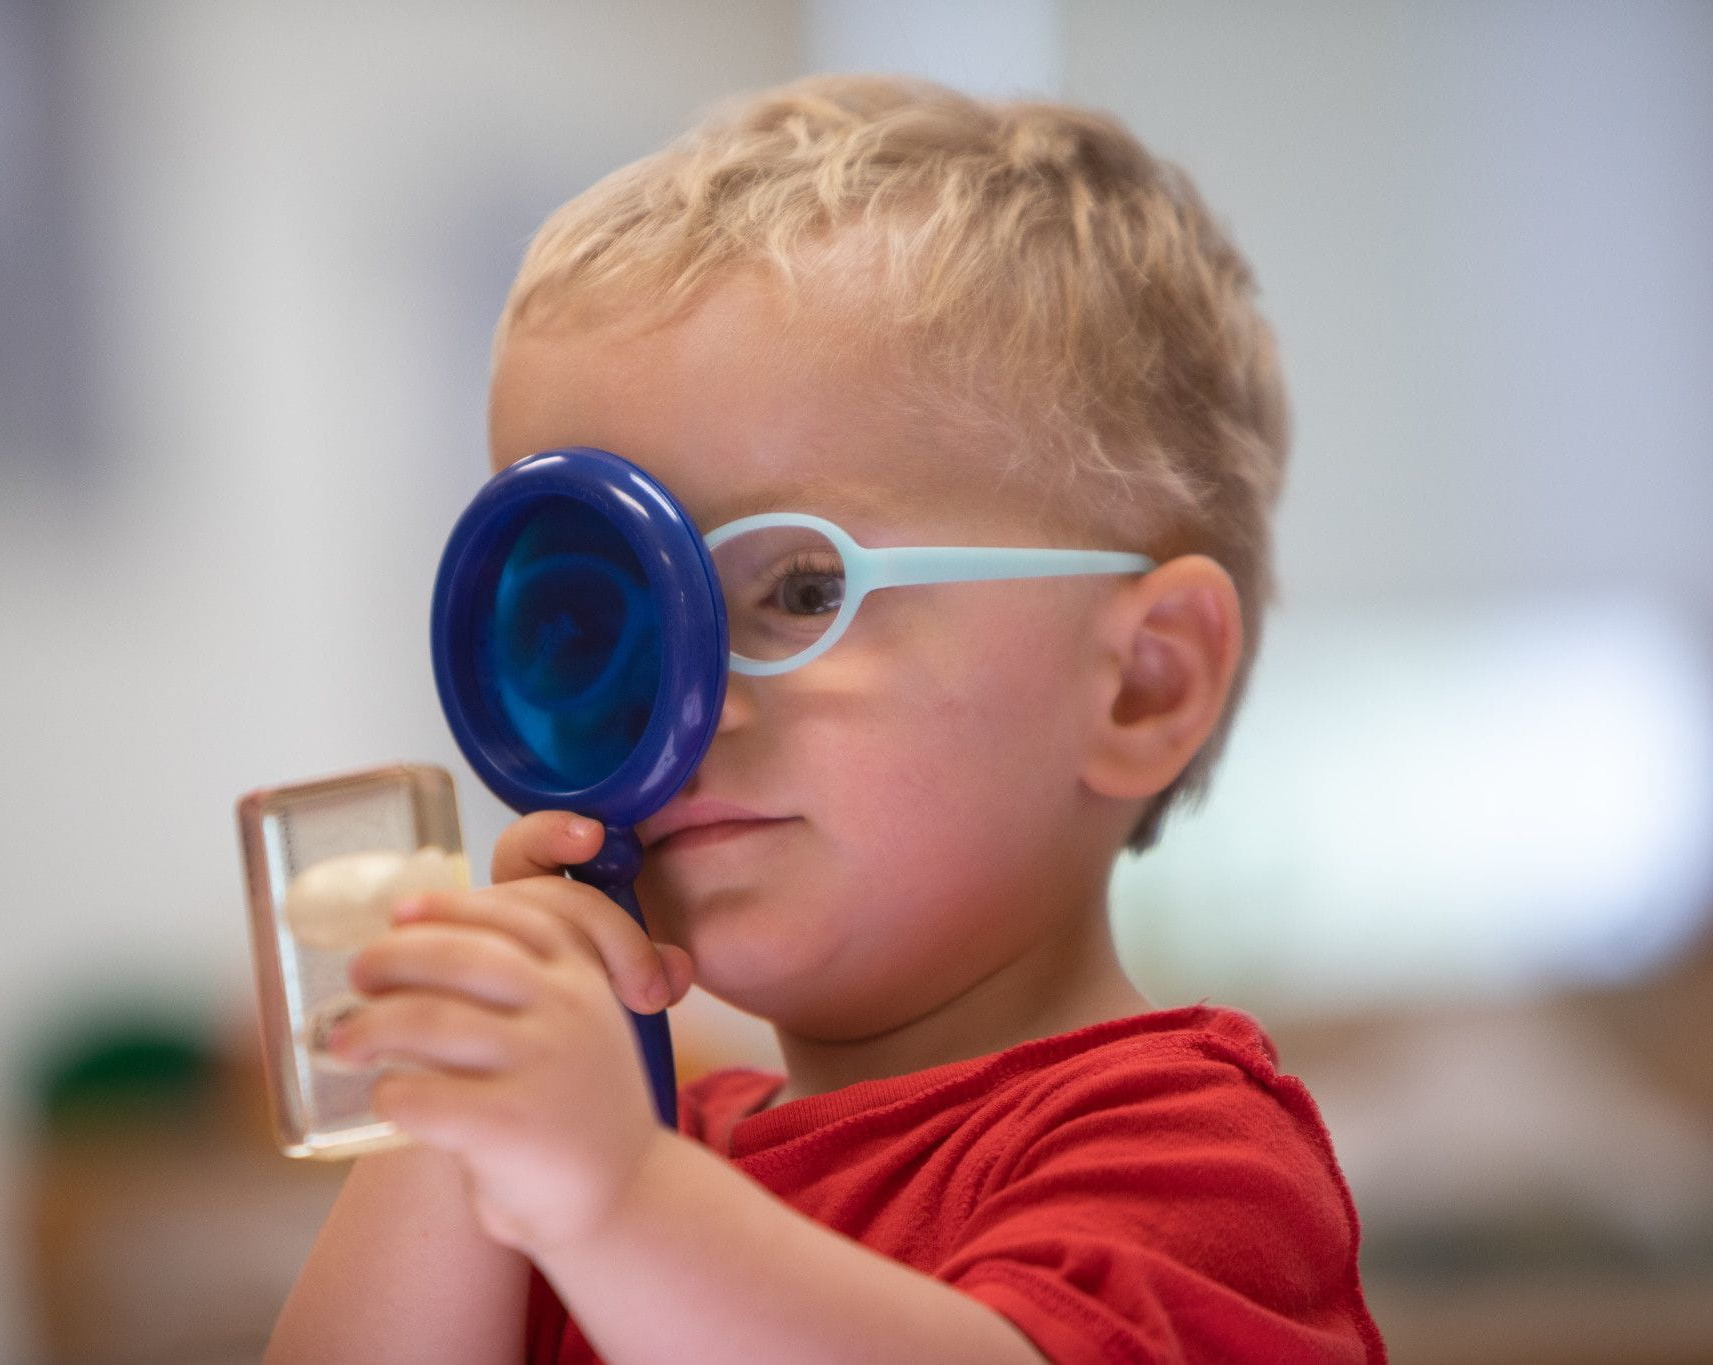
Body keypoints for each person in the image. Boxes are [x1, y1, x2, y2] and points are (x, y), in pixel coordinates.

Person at [266, 74, 1384, 1364]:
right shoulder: (633, 1147)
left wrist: (616, 1198)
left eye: (801, 590)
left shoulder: (1188, 1155)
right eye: (602, 612)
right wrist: (450, 1121)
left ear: (1144, 684)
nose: (678, 713)